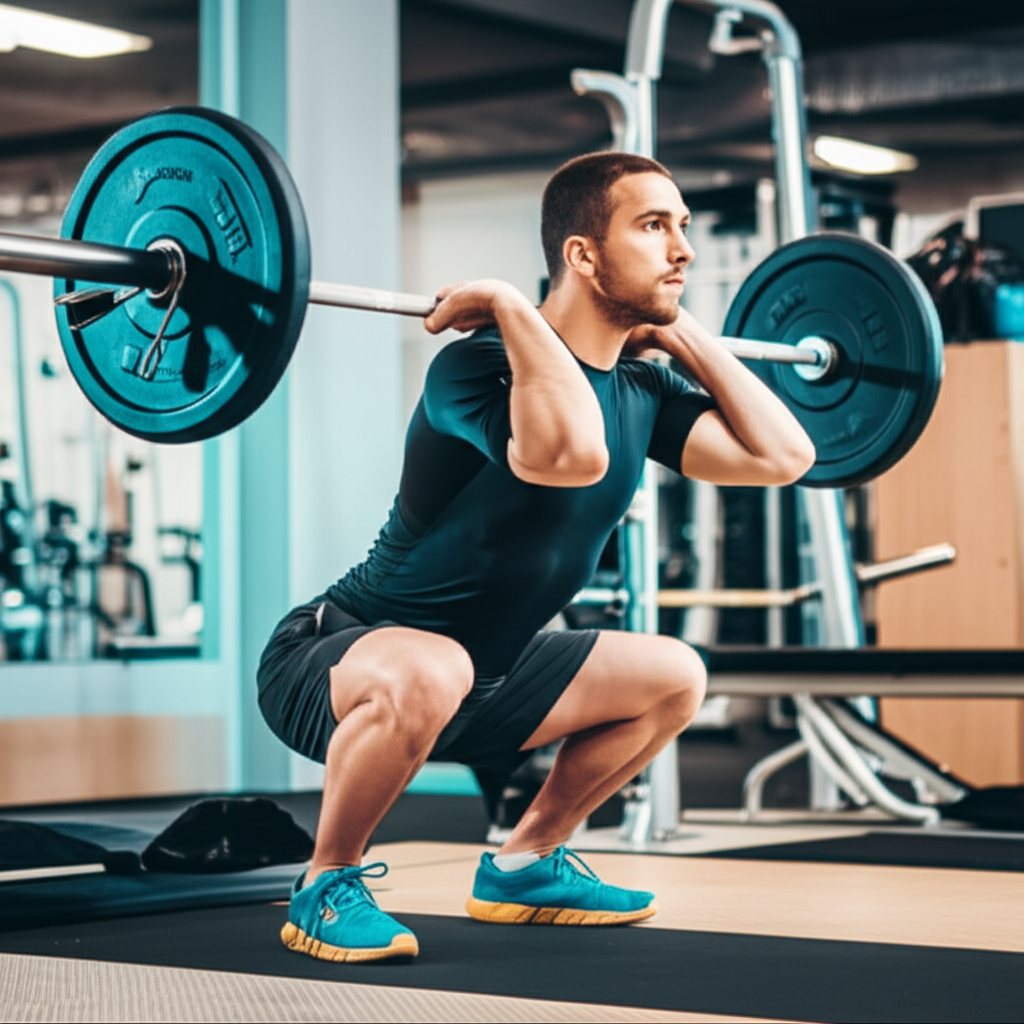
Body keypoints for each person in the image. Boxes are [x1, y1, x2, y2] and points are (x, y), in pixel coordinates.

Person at [257, 152, 815, 963]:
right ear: (583, 255)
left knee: (674, 675)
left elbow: (783, 456)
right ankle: (324, 883)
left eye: (683, 228)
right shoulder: (475, 366)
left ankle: (524, 865)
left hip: (481, 681)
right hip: (332, 659)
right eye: (655, 226)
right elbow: (569, 457)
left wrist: (683, 334)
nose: (682, 250)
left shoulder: (643, 390)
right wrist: (515, 309)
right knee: (434, 665)